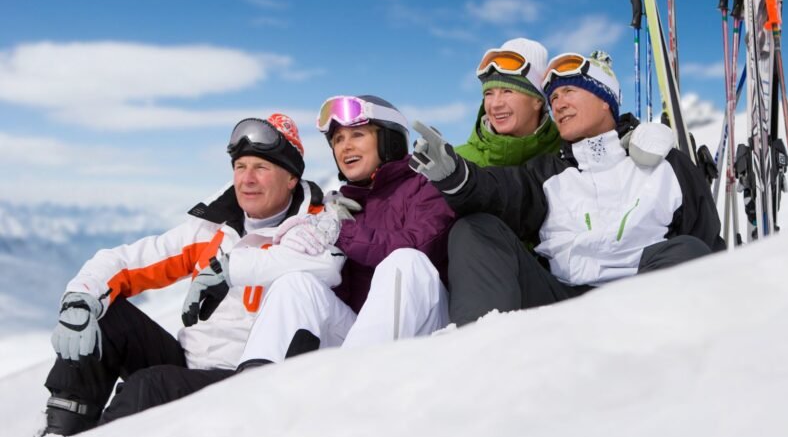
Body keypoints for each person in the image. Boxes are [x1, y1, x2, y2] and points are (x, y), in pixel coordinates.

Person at [44, 114, 341, 435]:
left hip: (245, 379)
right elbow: (132, 261)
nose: (247, 179)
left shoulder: (314, 230)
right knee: (103, 318)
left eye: (261, 167)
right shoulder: (214, 229)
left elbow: (327, 269)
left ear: (291, 178)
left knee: (150, 385)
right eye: (240, 167)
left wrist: (236, 269)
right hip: (190, 363)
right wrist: (81, 296)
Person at [409, 51, 725, 326]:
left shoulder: (664, 163)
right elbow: (499, 192)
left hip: (643, 299)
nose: (559, 104)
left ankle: (673, 357)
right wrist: (456, 175)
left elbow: (706, 236)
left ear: (605, 101)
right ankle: (479, 352)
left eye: (569, 91)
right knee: (474, 228)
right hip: (561, 302)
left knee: (690, 251)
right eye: (554, 98)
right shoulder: (545, 173)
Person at [234, 95, 455, 367]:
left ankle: (357, 386)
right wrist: (320, 253)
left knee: (405, 262)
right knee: (296, 283)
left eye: (357, 135)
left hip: (428, 332)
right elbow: (344, 292)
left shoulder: (426, 187)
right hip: (360, 342)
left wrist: (343, 233)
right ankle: (255, 385)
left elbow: (420, 246)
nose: (345, 147)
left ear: (389, 141)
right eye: (338, 140)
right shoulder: (341, 206)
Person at [456, 37, 561, 167]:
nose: (495, 104)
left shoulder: (570, 154)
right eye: (489, 93)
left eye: (507, 91)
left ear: (538, 101)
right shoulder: (457, 163)